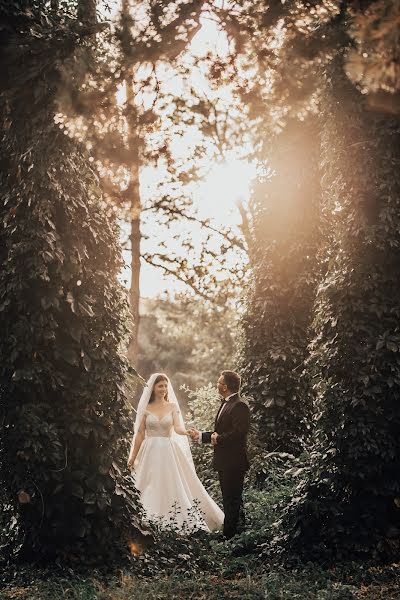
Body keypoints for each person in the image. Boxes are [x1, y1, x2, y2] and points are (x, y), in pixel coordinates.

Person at [127, 373, 223, 532]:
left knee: (171, 483)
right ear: (153, 388)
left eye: (165, 386)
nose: (163, 389)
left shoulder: (172, 407)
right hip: (149, 451)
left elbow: (177, 428)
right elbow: (139, 434)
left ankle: (174, 521)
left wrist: (187, 433)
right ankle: (146, 521)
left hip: (167, 451)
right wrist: (132, 457)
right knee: (148, 483)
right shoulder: (145, 408)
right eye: (160, 386)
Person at [189, 370, 250, 539]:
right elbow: (220, 433)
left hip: (234, 461)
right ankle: (237, 532)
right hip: (225, 461)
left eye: (218, 382)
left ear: (225, 387)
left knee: (232, 500)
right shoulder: (226, 404)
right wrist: (200, 436)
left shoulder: (239, 405)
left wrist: (219, 439)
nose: (216, 385)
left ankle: (229, 537)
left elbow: (239, 433)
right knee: (229, 498)